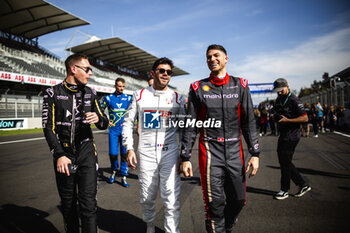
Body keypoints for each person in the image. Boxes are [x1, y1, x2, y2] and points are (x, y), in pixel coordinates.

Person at [180, 44, 260, 233]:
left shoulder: (240, 85)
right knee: (214, 206)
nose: (212, 59)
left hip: (235, 152)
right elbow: (191, 125)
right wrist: (185, 157)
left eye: (216, 55)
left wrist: (255, 153)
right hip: (210, 153)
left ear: (226, 59)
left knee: (239, 200)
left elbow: (249, 122)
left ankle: (227, 225)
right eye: (208, 57)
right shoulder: (198, 87)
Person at [42, 53, 109, 233]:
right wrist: (59, 155)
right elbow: (49, 128)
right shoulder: (52, 93)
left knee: (88, 204)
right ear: (74, 69)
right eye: (87, 69)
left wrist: (98, 117)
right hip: (65, 156)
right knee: (68, 204)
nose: (90, 73)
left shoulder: (91, 93)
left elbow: (104, 122)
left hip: (87, 153)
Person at [122, 57, 186, 233]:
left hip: (170, 152)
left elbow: (184, 129)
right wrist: (129, 148)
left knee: (171, 198)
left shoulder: (178, 98)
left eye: (169, 72)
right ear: (153, 73)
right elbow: (127, 123)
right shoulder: (139, 95)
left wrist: (184, 155)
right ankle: (150, 226)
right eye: (162, 71)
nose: (165, 74)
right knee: (147, 197)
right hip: (147, 152)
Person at [272, 78, 311, 200]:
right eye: (277, 91)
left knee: (285, 162)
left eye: (281, 90)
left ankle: (285, 190)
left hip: (292, 135)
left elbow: (305, 118)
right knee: (284, 162)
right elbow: (276, 112)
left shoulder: (294, 100)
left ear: (287, 87)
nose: (278, 93)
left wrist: (288, 120)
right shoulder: (279, 99)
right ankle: (302, 184)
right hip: (283, 134)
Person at [101, 78, 132, 187]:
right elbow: (99, 110)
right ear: (115, 86)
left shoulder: (128, 98)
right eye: (119, 86)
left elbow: (134, 112)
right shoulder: (108, 98)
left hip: (124, 130)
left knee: (124, 154)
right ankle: (114, 171)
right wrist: (105, 120)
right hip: (113, 130)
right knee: (113, 153)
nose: (121, 88)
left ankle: (123, 175)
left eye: (123, 86)